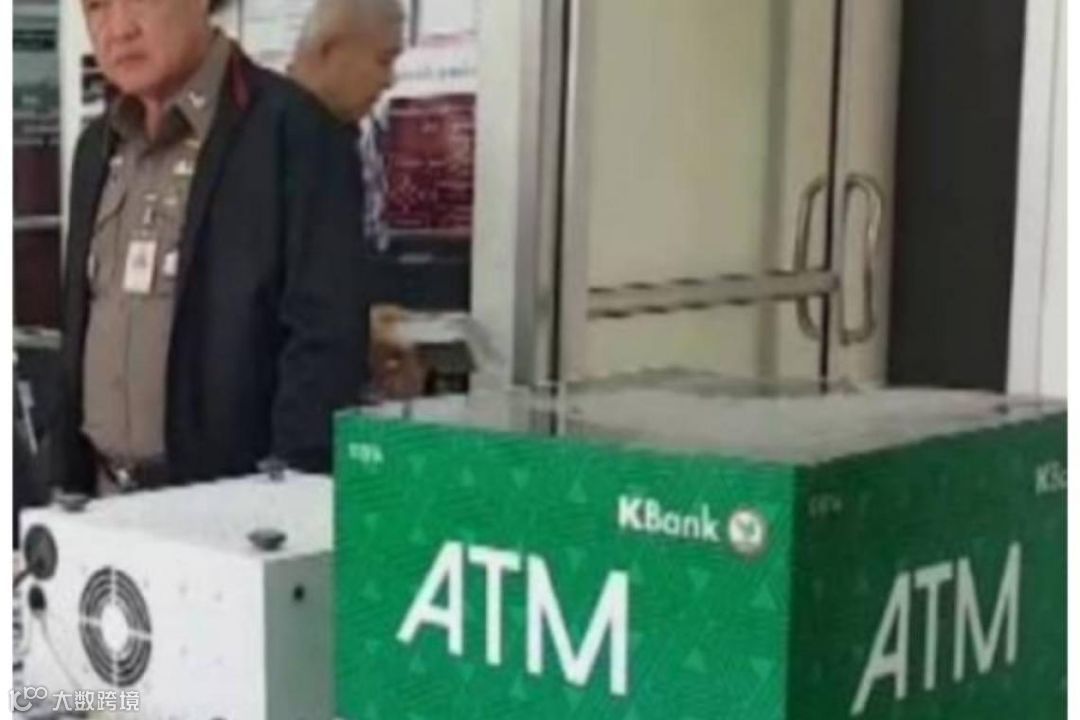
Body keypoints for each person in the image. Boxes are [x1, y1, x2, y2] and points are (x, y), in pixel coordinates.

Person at [53, 0, 370, 497]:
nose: (118, 28)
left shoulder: (296, 134)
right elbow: (78, 332)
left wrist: (281, 506)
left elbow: (324, 349)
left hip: (228, 514)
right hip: (99, 504)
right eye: (96, 6)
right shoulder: (96, 147)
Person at [289, 0, 425, 399]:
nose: (390, 80)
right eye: (383, 60)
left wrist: (361, 326)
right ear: (330, 49)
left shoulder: (333, 140)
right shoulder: (275, 144)